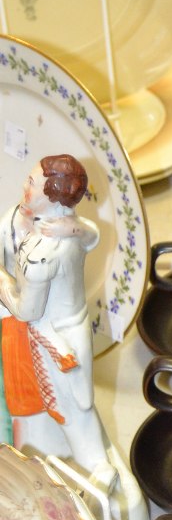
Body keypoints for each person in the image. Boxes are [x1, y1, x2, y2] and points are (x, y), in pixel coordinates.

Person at [0, 154, 117, 492]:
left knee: (72, 410)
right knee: (72, 409)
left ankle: (98, 473)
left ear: (53, 195)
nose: (25, 187)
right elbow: (92, 235)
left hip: (53, 343)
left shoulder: (42, 251)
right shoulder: (69, 230)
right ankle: (78, 463)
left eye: (32, 183)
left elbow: (26, 310)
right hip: (68, 333)